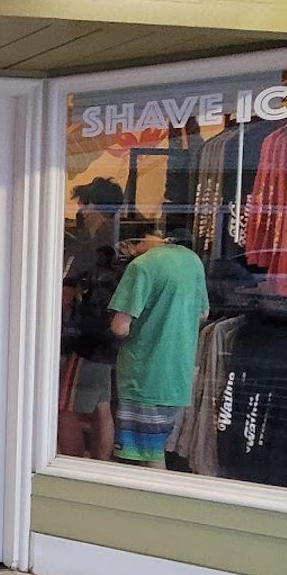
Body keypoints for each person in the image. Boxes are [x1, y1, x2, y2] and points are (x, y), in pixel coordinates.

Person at [107, 218, 208, 468]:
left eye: (131, 243)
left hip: (145, 375)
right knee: (155, 447)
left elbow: (120, 327)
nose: (129, 249)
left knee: (146, 456)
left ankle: (150, 504)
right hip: (178, 374)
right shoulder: (191, 261)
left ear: (146, 238)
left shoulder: (142, 267)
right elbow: (203, 314)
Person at [59, 178, 123, 461]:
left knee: (66, 409)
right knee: (102, 406)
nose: (80, 211)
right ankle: (101, 466)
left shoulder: (89, 247)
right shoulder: (121, 242)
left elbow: (65, 294)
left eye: (83, 204)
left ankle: (72, 467)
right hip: (110, 338)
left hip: (85, 338)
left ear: (93, 206)